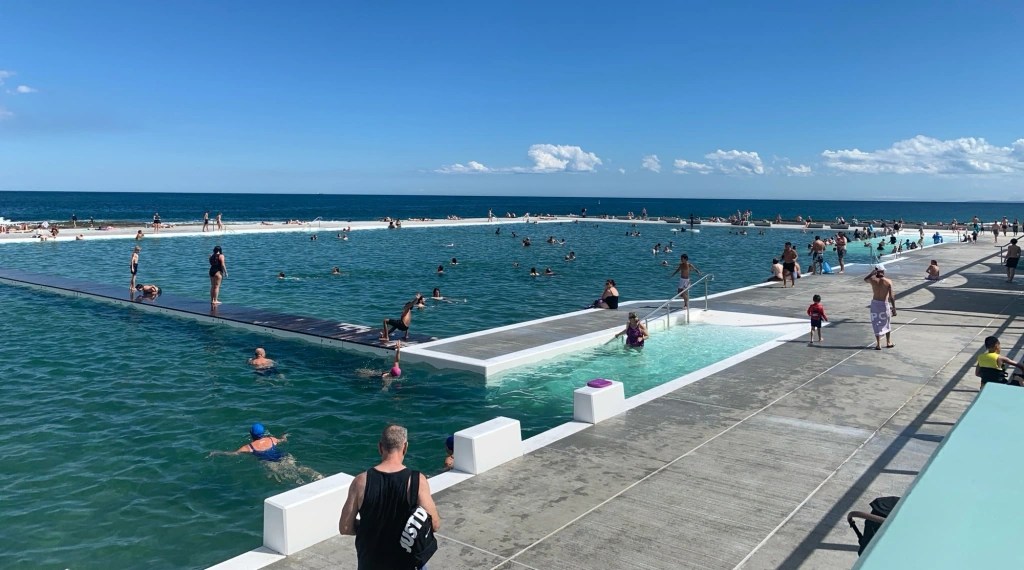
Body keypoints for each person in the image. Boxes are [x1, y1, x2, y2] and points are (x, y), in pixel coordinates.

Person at [338, 425, 442, 569]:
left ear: (380, 447)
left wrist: (371, 527)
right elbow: (435, 525)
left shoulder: (361, 482)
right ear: (405, 447)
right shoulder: (417, 481)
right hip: (406, 564)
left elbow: (345, 527)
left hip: (370, 564)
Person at [211, 423, 288, 462]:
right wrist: (284, 435)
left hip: (269, 462)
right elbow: (283, 440)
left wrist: (217, 452)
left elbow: (234, 454)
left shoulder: (248, 447)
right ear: (263, 433)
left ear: (251, 434)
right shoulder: (272, 439)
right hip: (282, 456)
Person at [865, 266, 896, 350]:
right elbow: (892, 297)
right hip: (884, 304)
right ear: (883, 271)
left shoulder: (873, 280)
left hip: (875, 304)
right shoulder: (888, 281)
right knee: (887, 322)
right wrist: (894, 308)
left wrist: (872, 273)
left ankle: (878, 344)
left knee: (876, 323)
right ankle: (888, 342)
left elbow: (865, 279)